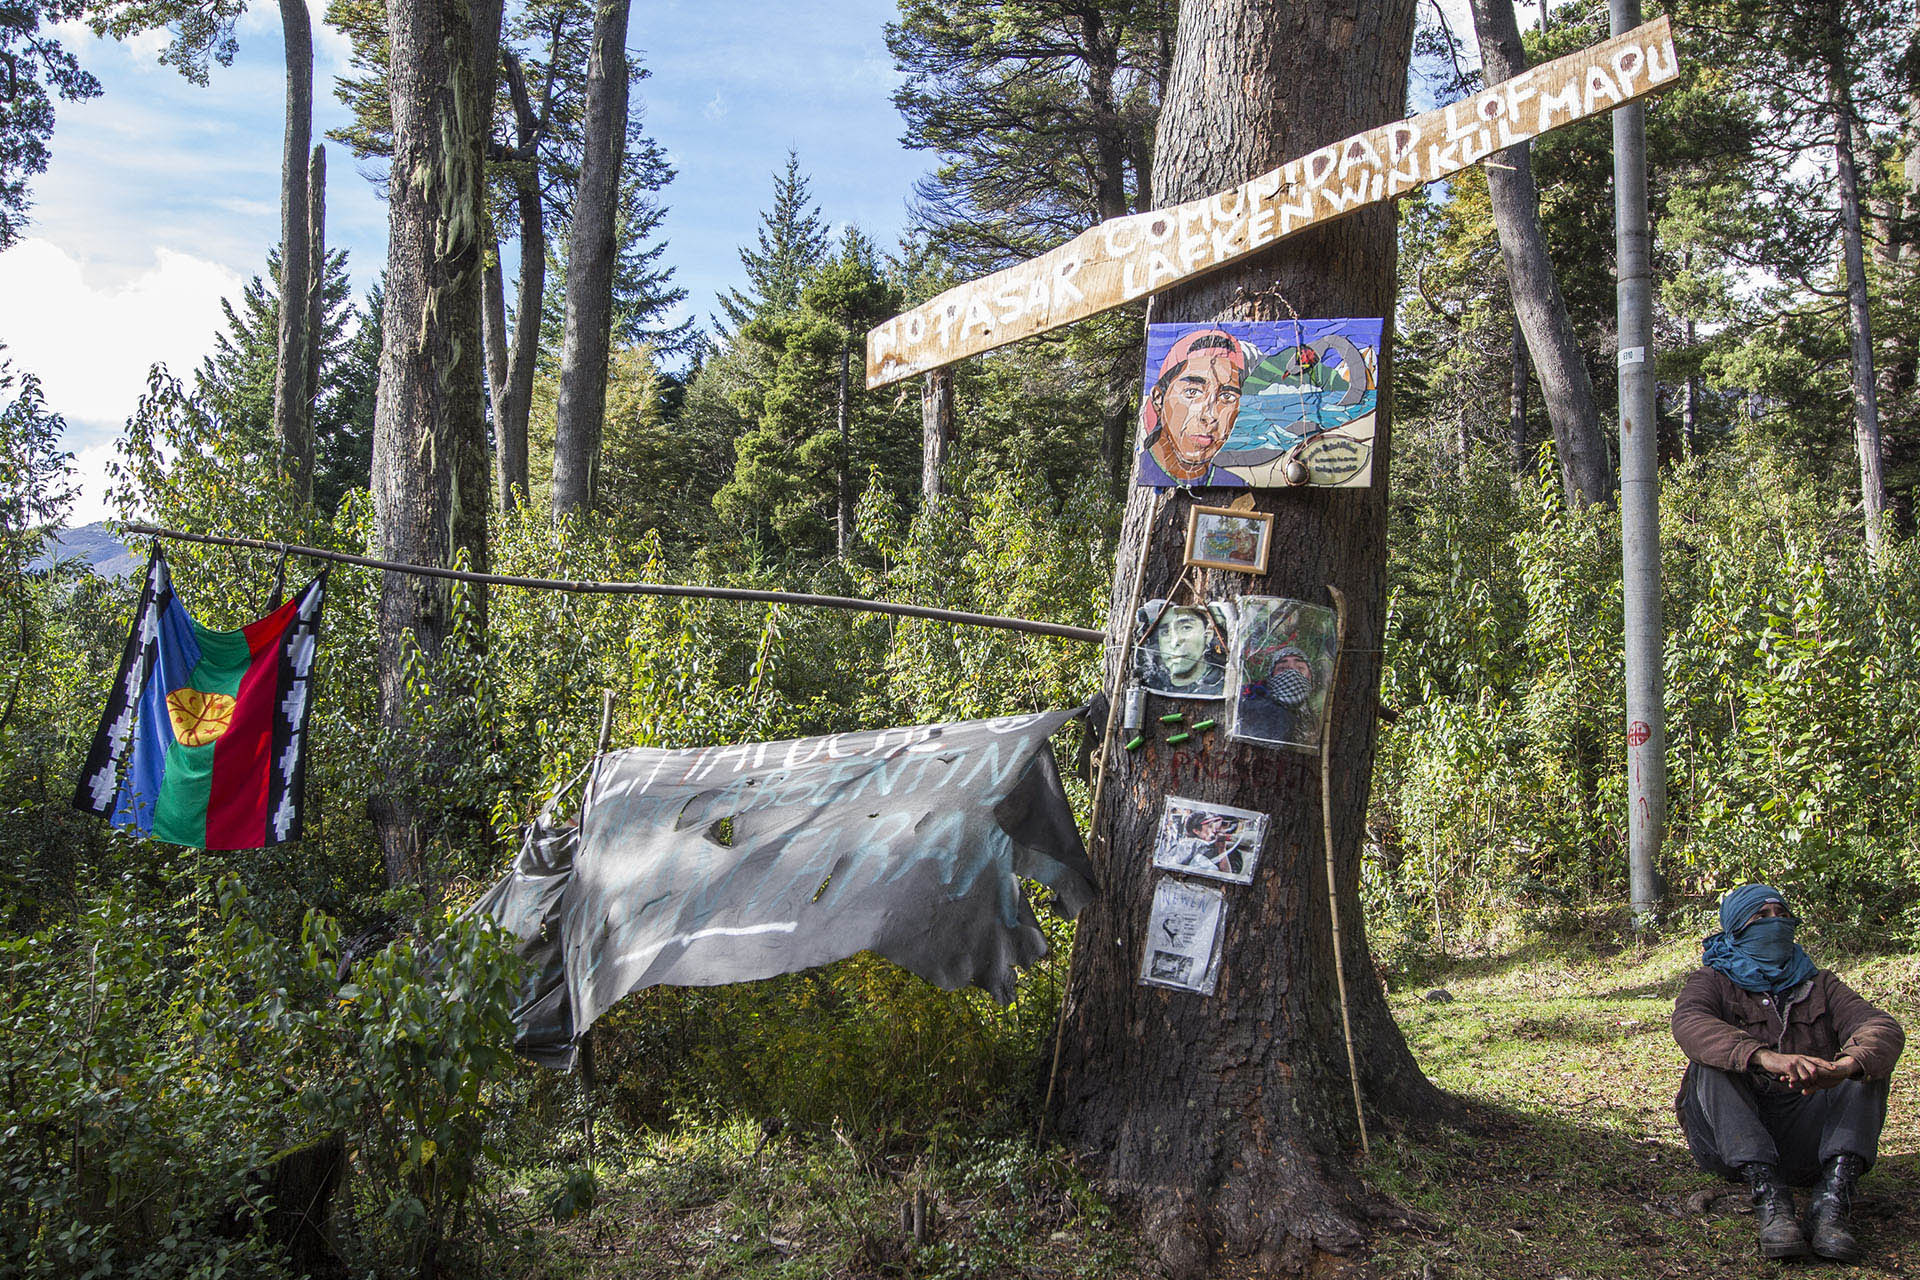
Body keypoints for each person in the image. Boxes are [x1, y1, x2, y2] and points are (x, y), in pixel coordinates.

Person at [1671, 884, 1905, 1262]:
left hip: (1805, 1138)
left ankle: (1832, 1200)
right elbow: (1690, 1023)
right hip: (1727, 1141)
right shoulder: (1712, 981)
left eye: (1781, 915)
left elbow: (1881, 1027)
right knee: (1713, 1063)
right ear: (1736, 927)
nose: (1774, 923)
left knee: (1868, 1065)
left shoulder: (1822, 984)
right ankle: (1770, 1198)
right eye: (1761, 917)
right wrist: (1763, 1057)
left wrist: (1843, 1067)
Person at [1137, 329, 1247, 486]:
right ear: (1158, 399)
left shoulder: (1234, 480)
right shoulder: (1146, 469)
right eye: (1192, 392)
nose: (1210, 415)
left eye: (1227, 397)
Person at [1234, 639, 1319, 746]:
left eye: (1300, 668)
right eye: (1283, 668)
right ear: (1271, 677)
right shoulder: (1254, 709)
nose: (1292, 673)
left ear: (1310, 677)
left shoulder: (1313, 718)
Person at [1134, 601, 1228, 698]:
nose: (1175, 643)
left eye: (1186, 628)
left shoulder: (1222, 681)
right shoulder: (1152, 680)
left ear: (1208, 634)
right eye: (1165, 632)